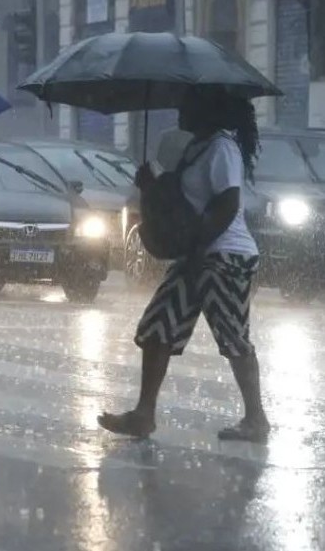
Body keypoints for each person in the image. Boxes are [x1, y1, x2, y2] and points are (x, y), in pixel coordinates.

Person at [99, 88, 270, 443]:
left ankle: (256, 420)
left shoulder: (222, 148)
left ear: (208, 109)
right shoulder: (198, 148)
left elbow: (227, 204)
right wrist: (151, 187)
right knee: (158, 327)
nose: (180, 110)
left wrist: (197, 249)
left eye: (188, 104)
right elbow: (181, 202)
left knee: (232, 335)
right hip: (196, 254)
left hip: (224, 256)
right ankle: (143, 415)